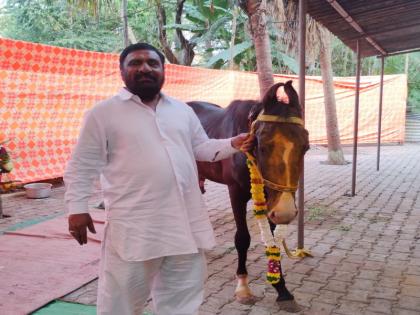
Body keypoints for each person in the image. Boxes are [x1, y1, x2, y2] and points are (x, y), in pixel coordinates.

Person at [64, 42, 254, 315]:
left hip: (184, 224)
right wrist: (77, 209)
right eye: (135, 63)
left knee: (183, 298)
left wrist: (232, 143)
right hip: (135, 226)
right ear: (122, 71)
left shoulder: (181, 110)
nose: (145, 69)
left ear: (163, 70)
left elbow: (200, 147)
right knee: (122, 301)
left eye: (152, 63)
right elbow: (82, 165)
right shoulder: (103, 114)